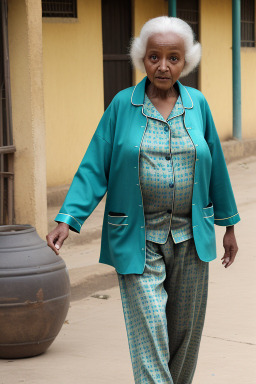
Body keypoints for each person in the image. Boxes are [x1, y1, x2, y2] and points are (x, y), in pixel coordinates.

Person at [47, 16, 240, 384]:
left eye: (173, 57)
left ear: (186, 62)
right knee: (149, 330)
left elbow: (215, 166)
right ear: (142, 59)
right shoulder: (123, 105)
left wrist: (228, 226)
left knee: (185, 333)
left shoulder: (198, 105)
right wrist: (68, 219)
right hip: (137, 236)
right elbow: (95, 164)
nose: (163, 66)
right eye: (154, 56)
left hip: (191, 235)